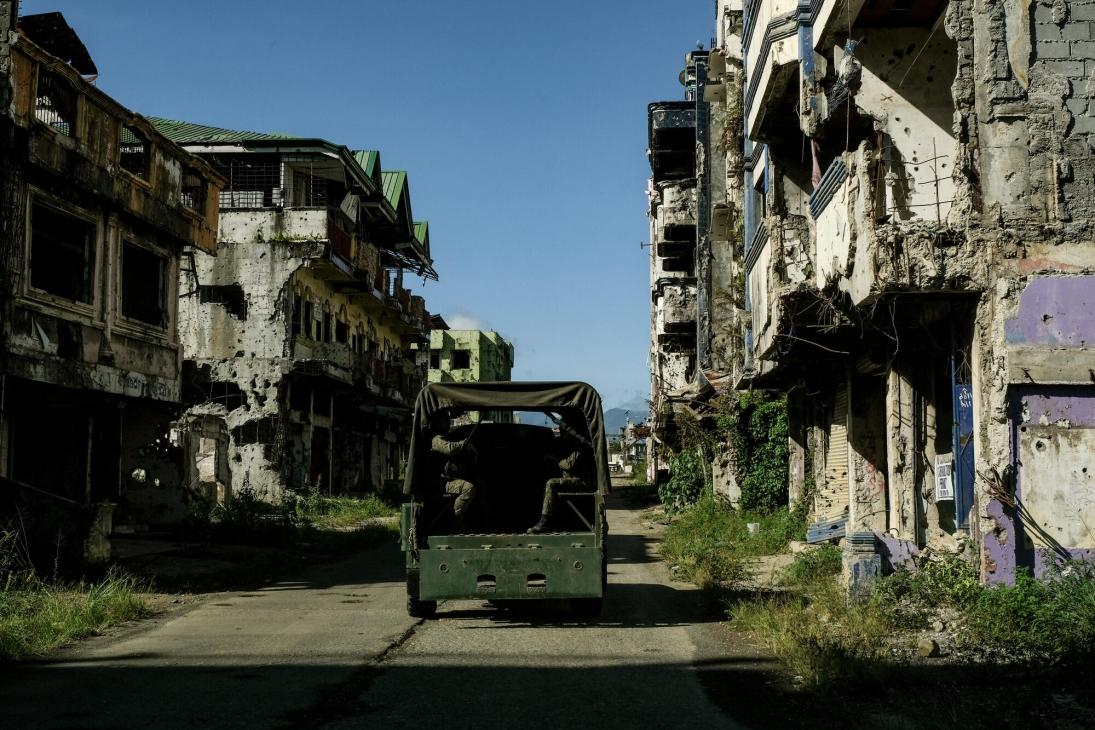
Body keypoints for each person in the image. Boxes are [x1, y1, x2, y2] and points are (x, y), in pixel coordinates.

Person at [528, 418, 588, 534]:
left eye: (563, 429)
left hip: (581, 481)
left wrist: (555, 459)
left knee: (551, 483)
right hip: (570, 478)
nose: (560, 430)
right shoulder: (566, 443)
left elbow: (568, 465)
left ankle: (544, 521)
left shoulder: (579, 444)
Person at [430, 411, 477, 523]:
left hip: (451, 478)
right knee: (468, 488)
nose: (448, 423)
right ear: (438, 423)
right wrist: (462, 444)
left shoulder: (449, 437)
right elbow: (450, 449)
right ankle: (455, 517)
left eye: (448, 420)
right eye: (445, 421)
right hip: (441, 481)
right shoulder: (436, 439)